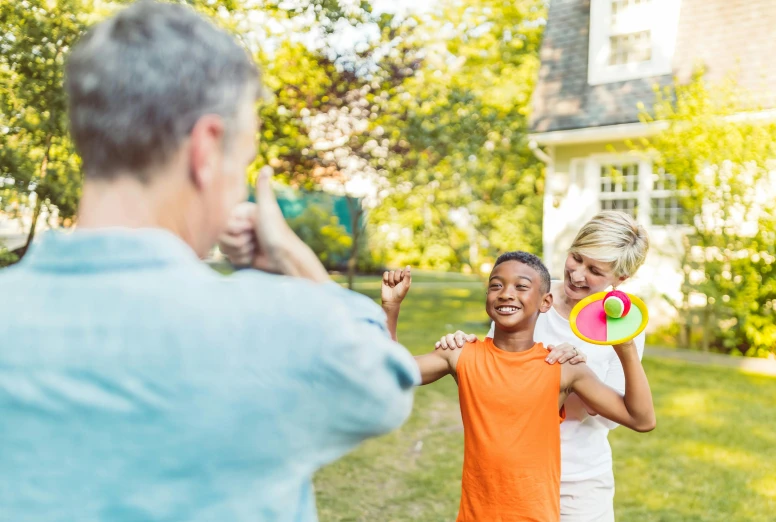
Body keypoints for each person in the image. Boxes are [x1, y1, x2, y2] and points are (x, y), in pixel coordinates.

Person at [0, 2, 419, 521]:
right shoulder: (282, 329)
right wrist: (292, 257)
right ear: (206, 150)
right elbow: (387, 379)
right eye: (242, 161)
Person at [382, 252, 655, 522]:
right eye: (496, 285)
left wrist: (626, 347)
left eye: (521, 286)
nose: (506, 293)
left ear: (545, 301)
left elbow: (641, 419)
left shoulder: (561, 366)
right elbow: (387, 375)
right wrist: (390, 309)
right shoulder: (461, 354)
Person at [435, 210, 650, 522]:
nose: (577, 274)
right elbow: (495, 375)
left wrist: (576, 373)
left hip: (580, 483)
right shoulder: (530, 293)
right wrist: (463, 349)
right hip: (515, 479)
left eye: (594, 270)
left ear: (620, 279)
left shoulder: (624, 327)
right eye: (576, 258)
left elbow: (618, 416)